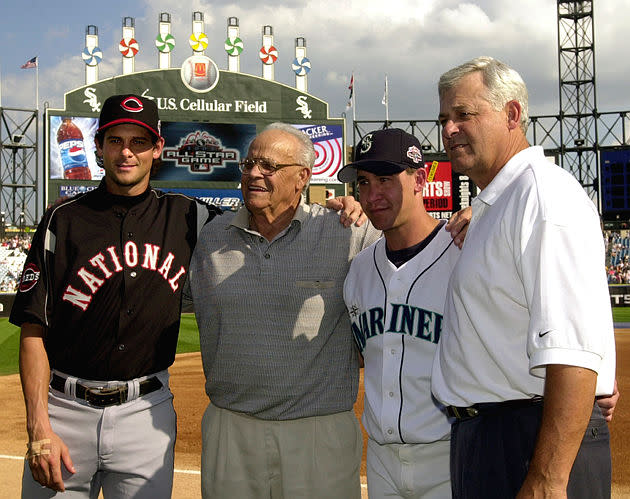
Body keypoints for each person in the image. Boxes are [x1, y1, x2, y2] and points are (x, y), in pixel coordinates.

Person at [10, 94, 224, 498]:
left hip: (145, 414)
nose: (126, 152)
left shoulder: (187, 215)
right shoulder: (63, 219)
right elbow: (33, 327)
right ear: (99, 147)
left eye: (139, 142)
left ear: (157, 148)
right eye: (115, 141)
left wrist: (336, 207)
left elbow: (261, 216)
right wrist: (39, 428)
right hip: (64, 411)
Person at [431, 56, 617, 498]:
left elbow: (572, 349)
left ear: (512, 114)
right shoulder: (502, 202)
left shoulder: (543, 195)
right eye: (444, 119)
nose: (449, 129)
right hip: (494, 434)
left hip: (527, 440)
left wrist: (547, 480)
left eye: (464, 115)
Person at [188, 122, 383, 498]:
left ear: (303, 177)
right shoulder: (209, 236)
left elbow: (414, 246)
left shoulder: (348, 231)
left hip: (318, 432)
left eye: (269, 166)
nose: (254, 174)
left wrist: (469, 222)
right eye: (249, 164)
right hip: (232, 429)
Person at [339, 128, 460, 498]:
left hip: (450, 453)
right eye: (363, 182)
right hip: (380, 460)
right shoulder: (358, 270)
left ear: (420, 180)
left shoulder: (462, 253)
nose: (372, 195)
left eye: (386, 180)